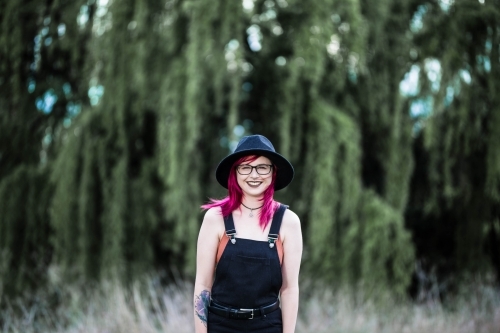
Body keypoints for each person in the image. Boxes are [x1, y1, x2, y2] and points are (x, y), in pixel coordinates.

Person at [193, 134, 303, 333]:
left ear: (273, 173)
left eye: (262, 167)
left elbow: (289, 289)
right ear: (234, 173)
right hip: (220, 326)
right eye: (245, 167)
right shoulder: (215, 218)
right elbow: (203, 285)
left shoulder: (288, 222)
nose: (254, 175)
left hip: (267, 326)